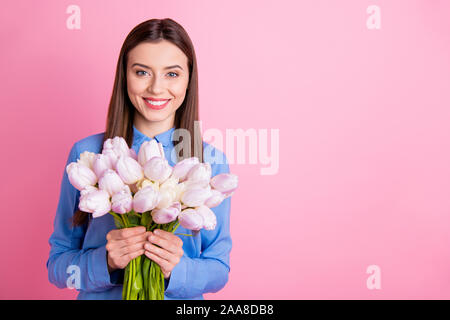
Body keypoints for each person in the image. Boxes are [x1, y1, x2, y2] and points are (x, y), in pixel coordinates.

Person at [46, 18, 232, 300]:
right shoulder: (87, 155)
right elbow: (58, 266)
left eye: (172, 74)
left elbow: (219, 269)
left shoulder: (209, 162)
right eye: (142, 72)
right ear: (125, 75)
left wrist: (176, 269)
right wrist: (105, 262)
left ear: (188, 79)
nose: (156, 89)